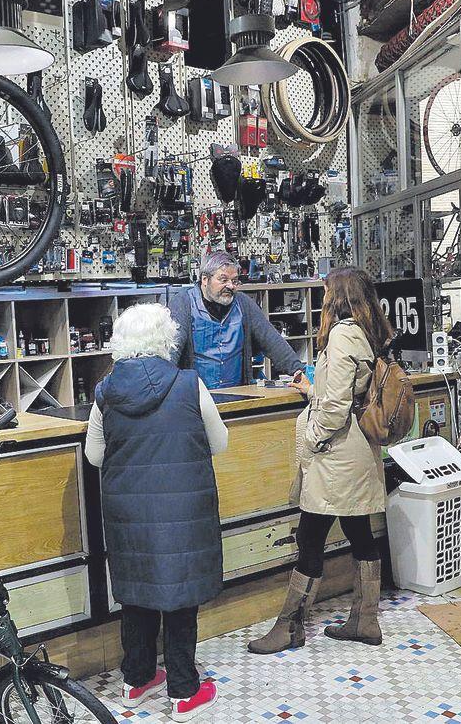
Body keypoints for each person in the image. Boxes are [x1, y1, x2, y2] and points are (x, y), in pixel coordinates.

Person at [84, 303, 227, 722]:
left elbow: (95, 455)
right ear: (167, 340)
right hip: (184, 510)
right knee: (180, 599)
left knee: (137, 595)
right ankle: (184, 692)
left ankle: (137, 681)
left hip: (128, 514)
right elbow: (219, 443)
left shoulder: (105, 393)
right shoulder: (189, 384)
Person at [248, 266, 392, 654]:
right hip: (356, 454)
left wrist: (311, 439)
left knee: (309, 536)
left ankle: (289, 628)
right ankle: (366, 620)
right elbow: (343, 394)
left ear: (339, 296)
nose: (323, 298)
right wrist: (314, 389)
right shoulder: (365, 334)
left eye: (327, 291)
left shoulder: (343, 336)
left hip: (336, 457)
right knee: (360, 532)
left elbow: (334, 410)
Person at [168, 250, 305, 389]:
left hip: (237, 393)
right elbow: (172, 350)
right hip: (195, 396)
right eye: (223, 280)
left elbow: (272, 341)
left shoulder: (243, 303)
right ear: (204, 279)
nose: (231, 286)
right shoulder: (183, 303)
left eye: (234, 281)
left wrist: (298, 371)